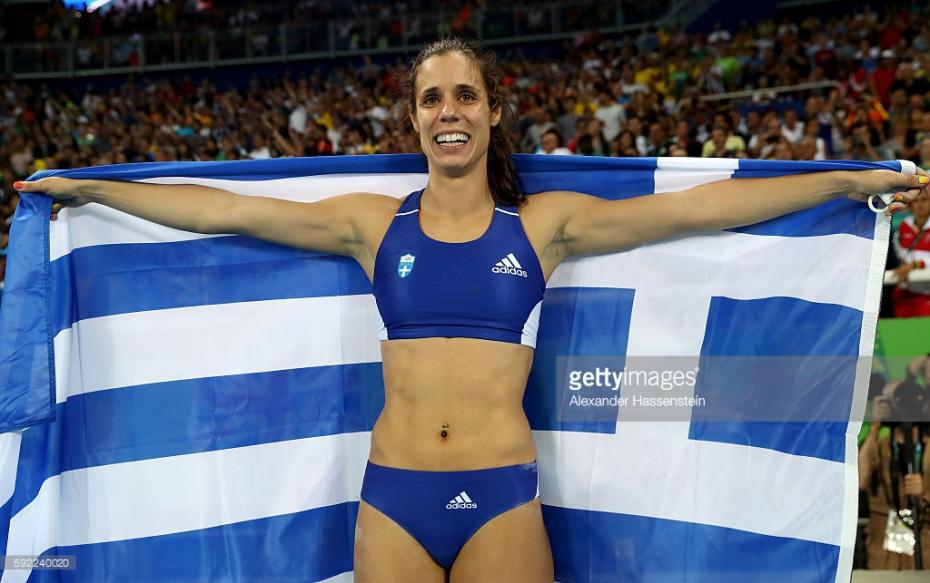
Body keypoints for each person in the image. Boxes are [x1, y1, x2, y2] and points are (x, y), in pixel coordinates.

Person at [15, 37, 930, 582]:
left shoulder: (544, 226)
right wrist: (94, 187)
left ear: (492, 112)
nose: (447, 110)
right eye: (430, 98)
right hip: (393, 497)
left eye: (464, 94)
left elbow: (700, 207)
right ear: (412, 121)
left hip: (498, 497)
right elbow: (222, 209)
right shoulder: (372, 225)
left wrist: (848, 178)